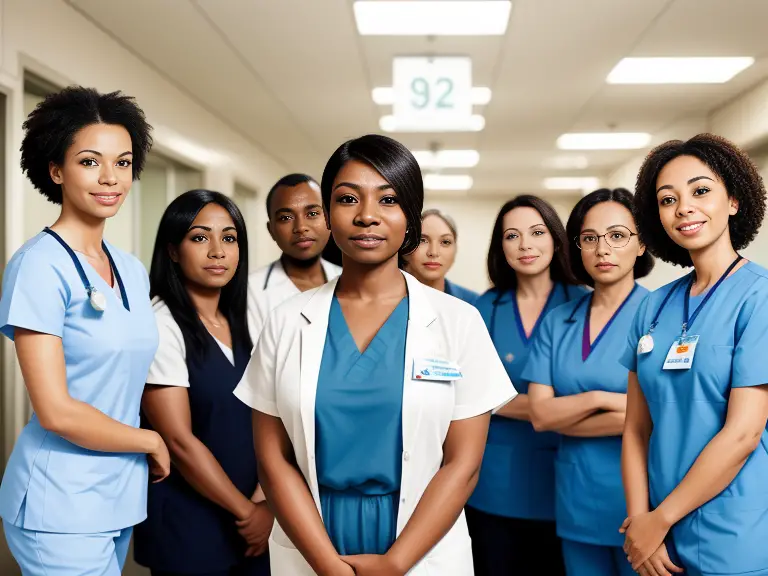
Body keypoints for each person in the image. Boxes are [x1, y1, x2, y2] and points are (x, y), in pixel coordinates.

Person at [233, 134, 515, 576]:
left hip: (421, 542)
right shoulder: (286, 321)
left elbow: (463, 464)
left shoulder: (458, 321)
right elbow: (273, 460)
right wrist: (326, 564)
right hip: (312, 538)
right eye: (348, 199)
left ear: (411, 218)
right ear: (327, 215)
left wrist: (396, 562)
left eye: (388, 200)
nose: (367, 216)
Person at [0, 86, 169, 574]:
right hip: (61, 499)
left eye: (123, 162)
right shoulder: (38, 266)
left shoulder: (132, 269)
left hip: (117, 495)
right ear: (56, 170)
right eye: (90, 162)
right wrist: (152, 442)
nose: (110, 178)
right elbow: (55, 411)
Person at [619, 134, 768, 576]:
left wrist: (657, 522)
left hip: (732, 532)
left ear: (734, 201)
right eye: (668, 199)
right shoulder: (652, 305)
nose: (684, 207)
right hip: (656, 537)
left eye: (701, 191)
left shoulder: (758, 297)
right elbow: (635, 430)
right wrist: (640, 525)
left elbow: (743, 434)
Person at [133, 190, 271, 576]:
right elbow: (179, 441)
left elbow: (273, 414)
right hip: (190, 524)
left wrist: (267, 499)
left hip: (258, 513)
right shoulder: (161, 324)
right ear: (173, 250)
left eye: (229, 238)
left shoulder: (246, 319)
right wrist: (248, 513)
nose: (217, 251)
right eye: (199, 237)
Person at [523, 188, 654, 576]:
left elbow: (664, 416)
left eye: (617, 236)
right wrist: (606, 398)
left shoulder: (661, 314)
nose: (603, 249)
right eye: (590, 238)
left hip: (643, 504)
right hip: (577, 500)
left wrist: (573, 410)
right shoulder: (558, 320)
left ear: (642, 242)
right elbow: (540, 415)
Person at [464, 195, 586, 576]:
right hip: (495, 484)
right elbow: (467, 393)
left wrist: (507, 402)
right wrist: (547, 407)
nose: (525, 245)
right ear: (500, 246)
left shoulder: (584, 303)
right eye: (511, 236)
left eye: (537, 232)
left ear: (556, 239)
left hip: (565, 478)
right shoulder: (485, 309)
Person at [247, 173, 341, 337]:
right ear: (272, 231)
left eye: (312, 214)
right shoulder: (250, 292)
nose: (301, 227)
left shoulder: (348, 280)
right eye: (286, 217)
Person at [403, 208, 478, 304]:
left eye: (445, 242)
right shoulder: (387, 301)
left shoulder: (474, 304)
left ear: (455, 249)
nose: (433, 252)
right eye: (422, 240)